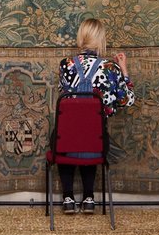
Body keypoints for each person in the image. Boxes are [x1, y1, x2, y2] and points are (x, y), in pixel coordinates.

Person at [56, 18, 135, 214]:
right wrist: (124, 70)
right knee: (91, 133)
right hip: (96, 142)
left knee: (64, 136)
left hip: (67, 139)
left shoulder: (65, 65)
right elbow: (127, 101)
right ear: (100, 39)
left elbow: (63, 95)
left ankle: (68, 198)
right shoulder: (111, 67)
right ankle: (89, 198)